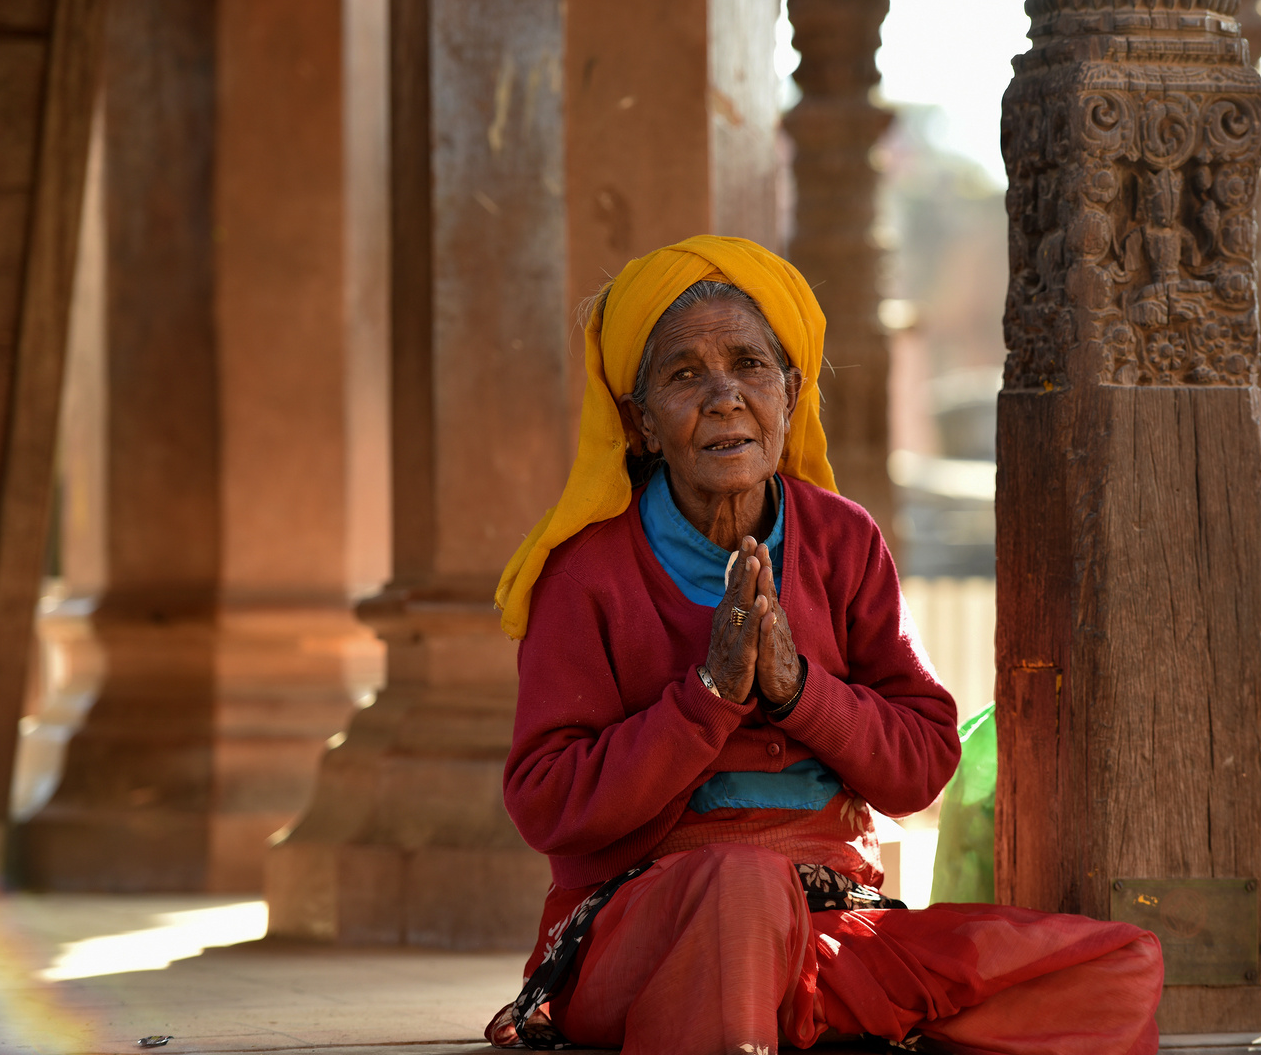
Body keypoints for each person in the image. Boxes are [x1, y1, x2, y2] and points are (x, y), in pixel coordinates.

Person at [486, 236, 1163, 1055]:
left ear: (792, 391)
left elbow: (921, 761)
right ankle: (785, 1016)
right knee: (741, 889)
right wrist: (707, 696)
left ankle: (793, 1014)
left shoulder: (843, 540)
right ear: (640, 422)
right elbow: (547, 802)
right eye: (684, 374)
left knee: (1117, 966)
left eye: (750, 365)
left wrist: (800, 688)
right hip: (640, 932)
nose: (725, 396)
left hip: (830, 927)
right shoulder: (586, 572)